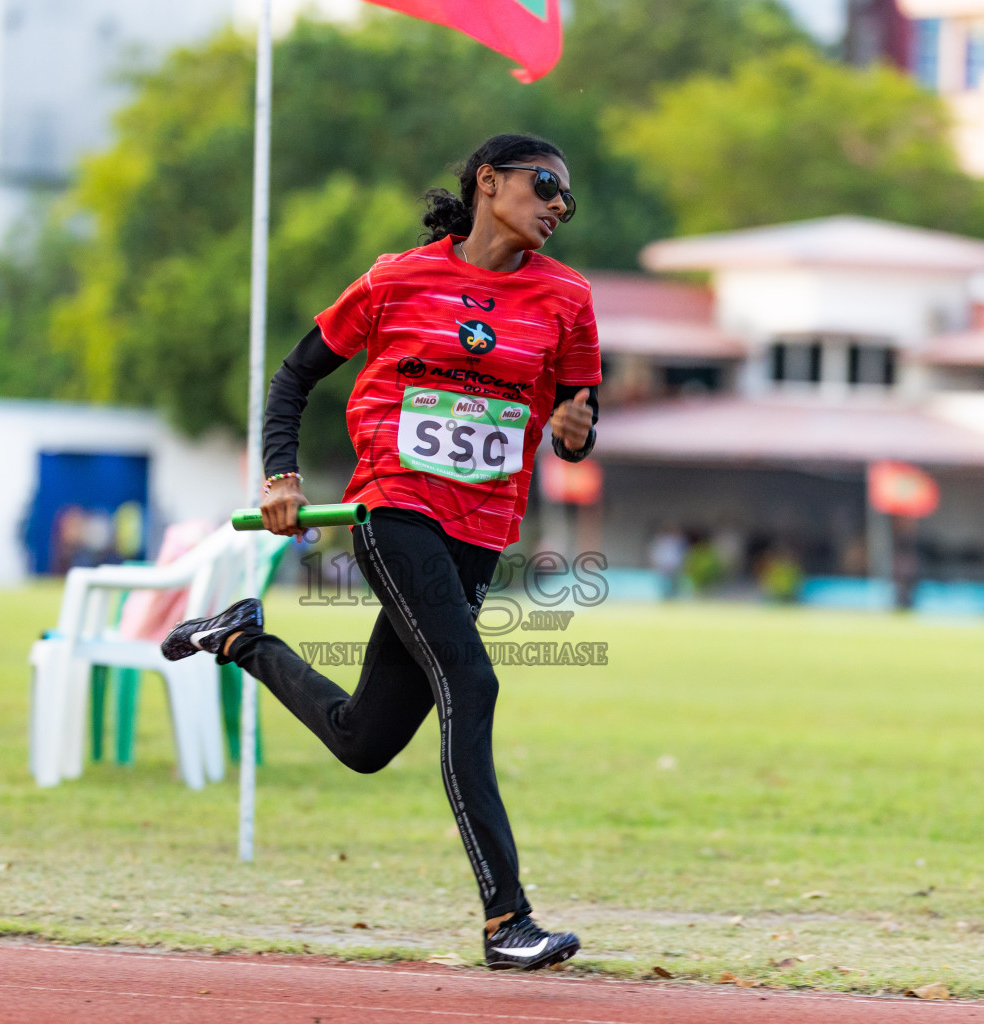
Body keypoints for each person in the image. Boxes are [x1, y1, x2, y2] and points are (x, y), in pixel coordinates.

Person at [163, 133, 600, 971]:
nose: (556, 206)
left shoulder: (569, 299)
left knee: (365, 741)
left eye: (565, 199)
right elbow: (295, 378)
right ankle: (506, 921)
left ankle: (239, 637)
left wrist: (577, 432)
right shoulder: (397, 278)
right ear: (488, 182)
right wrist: (280, 474)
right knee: (470, 681)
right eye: (544, 185)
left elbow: (576, 426)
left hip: (482, 532)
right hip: (395, 510)